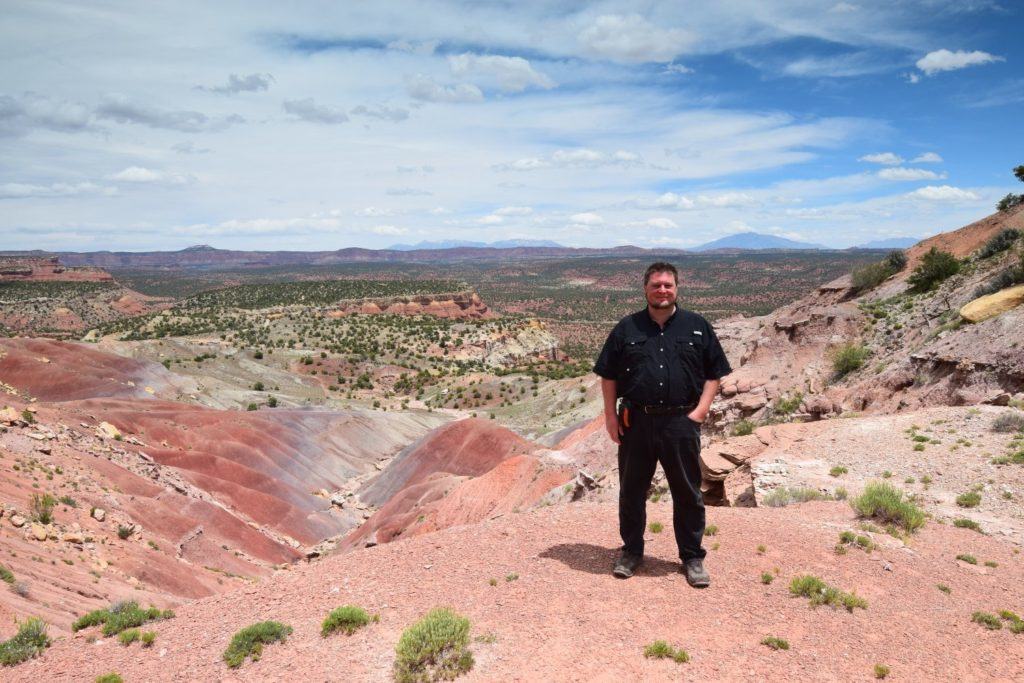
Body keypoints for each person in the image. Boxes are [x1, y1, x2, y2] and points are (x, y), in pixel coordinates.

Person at [593, 261, 732, 587]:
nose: (662, 290)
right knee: (631, 492)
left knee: (687, 492)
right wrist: (610, 417)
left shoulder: (697, 326)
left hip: (680, 423)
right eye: (656, 285)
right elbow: (608, 375)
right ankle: (631, 552)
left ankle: (693, 557)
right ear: (645, 289)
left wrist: (699, 412)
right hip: (636, 422)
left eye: (668, 285)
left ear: (676, 288)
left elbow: (715, 373)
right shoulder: (627, 329)